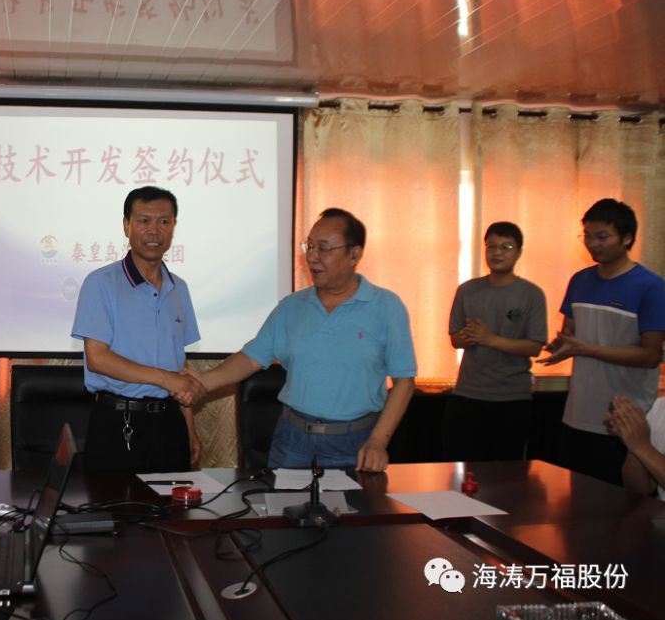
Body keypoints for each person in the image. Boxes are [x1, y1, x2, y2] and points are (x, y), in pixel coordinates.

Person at [195, 208, 417, 471]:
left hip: (356, 444)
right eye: (309, 247)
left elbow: (404, 381)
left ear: (354, 254)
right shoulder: (292, 306)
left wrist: (378, 441)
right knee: (281, 499)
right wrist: (201, 383)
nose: (312, 257)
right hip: (293, 442)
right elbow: (250, 358)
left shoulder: (386, 307)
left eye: (323, 248)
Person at [71, 186, 206, 472]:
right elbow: (97, 358)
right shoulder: (101, 283)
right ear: (127, 226)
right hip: (118, 421)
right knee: (112, 500)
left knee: (173, 502)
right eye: (144, 221)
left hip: (170, 422)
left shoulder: (179, 288)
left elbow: (179, 365)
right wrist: (165, 379)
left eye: (164, 221)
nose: (154, 230)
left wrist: (189, 428)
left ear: (174, 227)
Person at [538, 198, 665, 486]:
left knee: (619, 507)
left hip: (624, 421)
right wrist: (559, 346)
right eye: (588, 236)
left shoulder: (651, 287)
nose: (593, 244)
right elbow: (570, 335)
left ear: (627, 238)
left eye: (602, 236)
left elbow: (650, 356)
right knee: (577, 503)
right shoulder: (579, 280)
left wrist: (587, 349)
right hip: (577, 413)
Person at [442, 222, 548, 461]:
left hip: (511, 398)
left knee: (506, 473)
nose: (497, 253)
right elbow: (455, 339)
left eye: (506, 247)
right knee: (460, 468)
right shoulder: (467, 290)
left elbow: (534, 346)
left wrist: (490, 339)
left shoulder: (531, 294)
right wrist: (469, 337)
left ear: (519, 252)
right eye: (491, 246)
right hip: (467, 394)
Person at [606, 395, 665, 501]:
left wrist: (643, 448)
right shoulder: (660, 406)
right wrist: (633, 441)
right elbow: (638, 489)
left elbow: (643, 447)